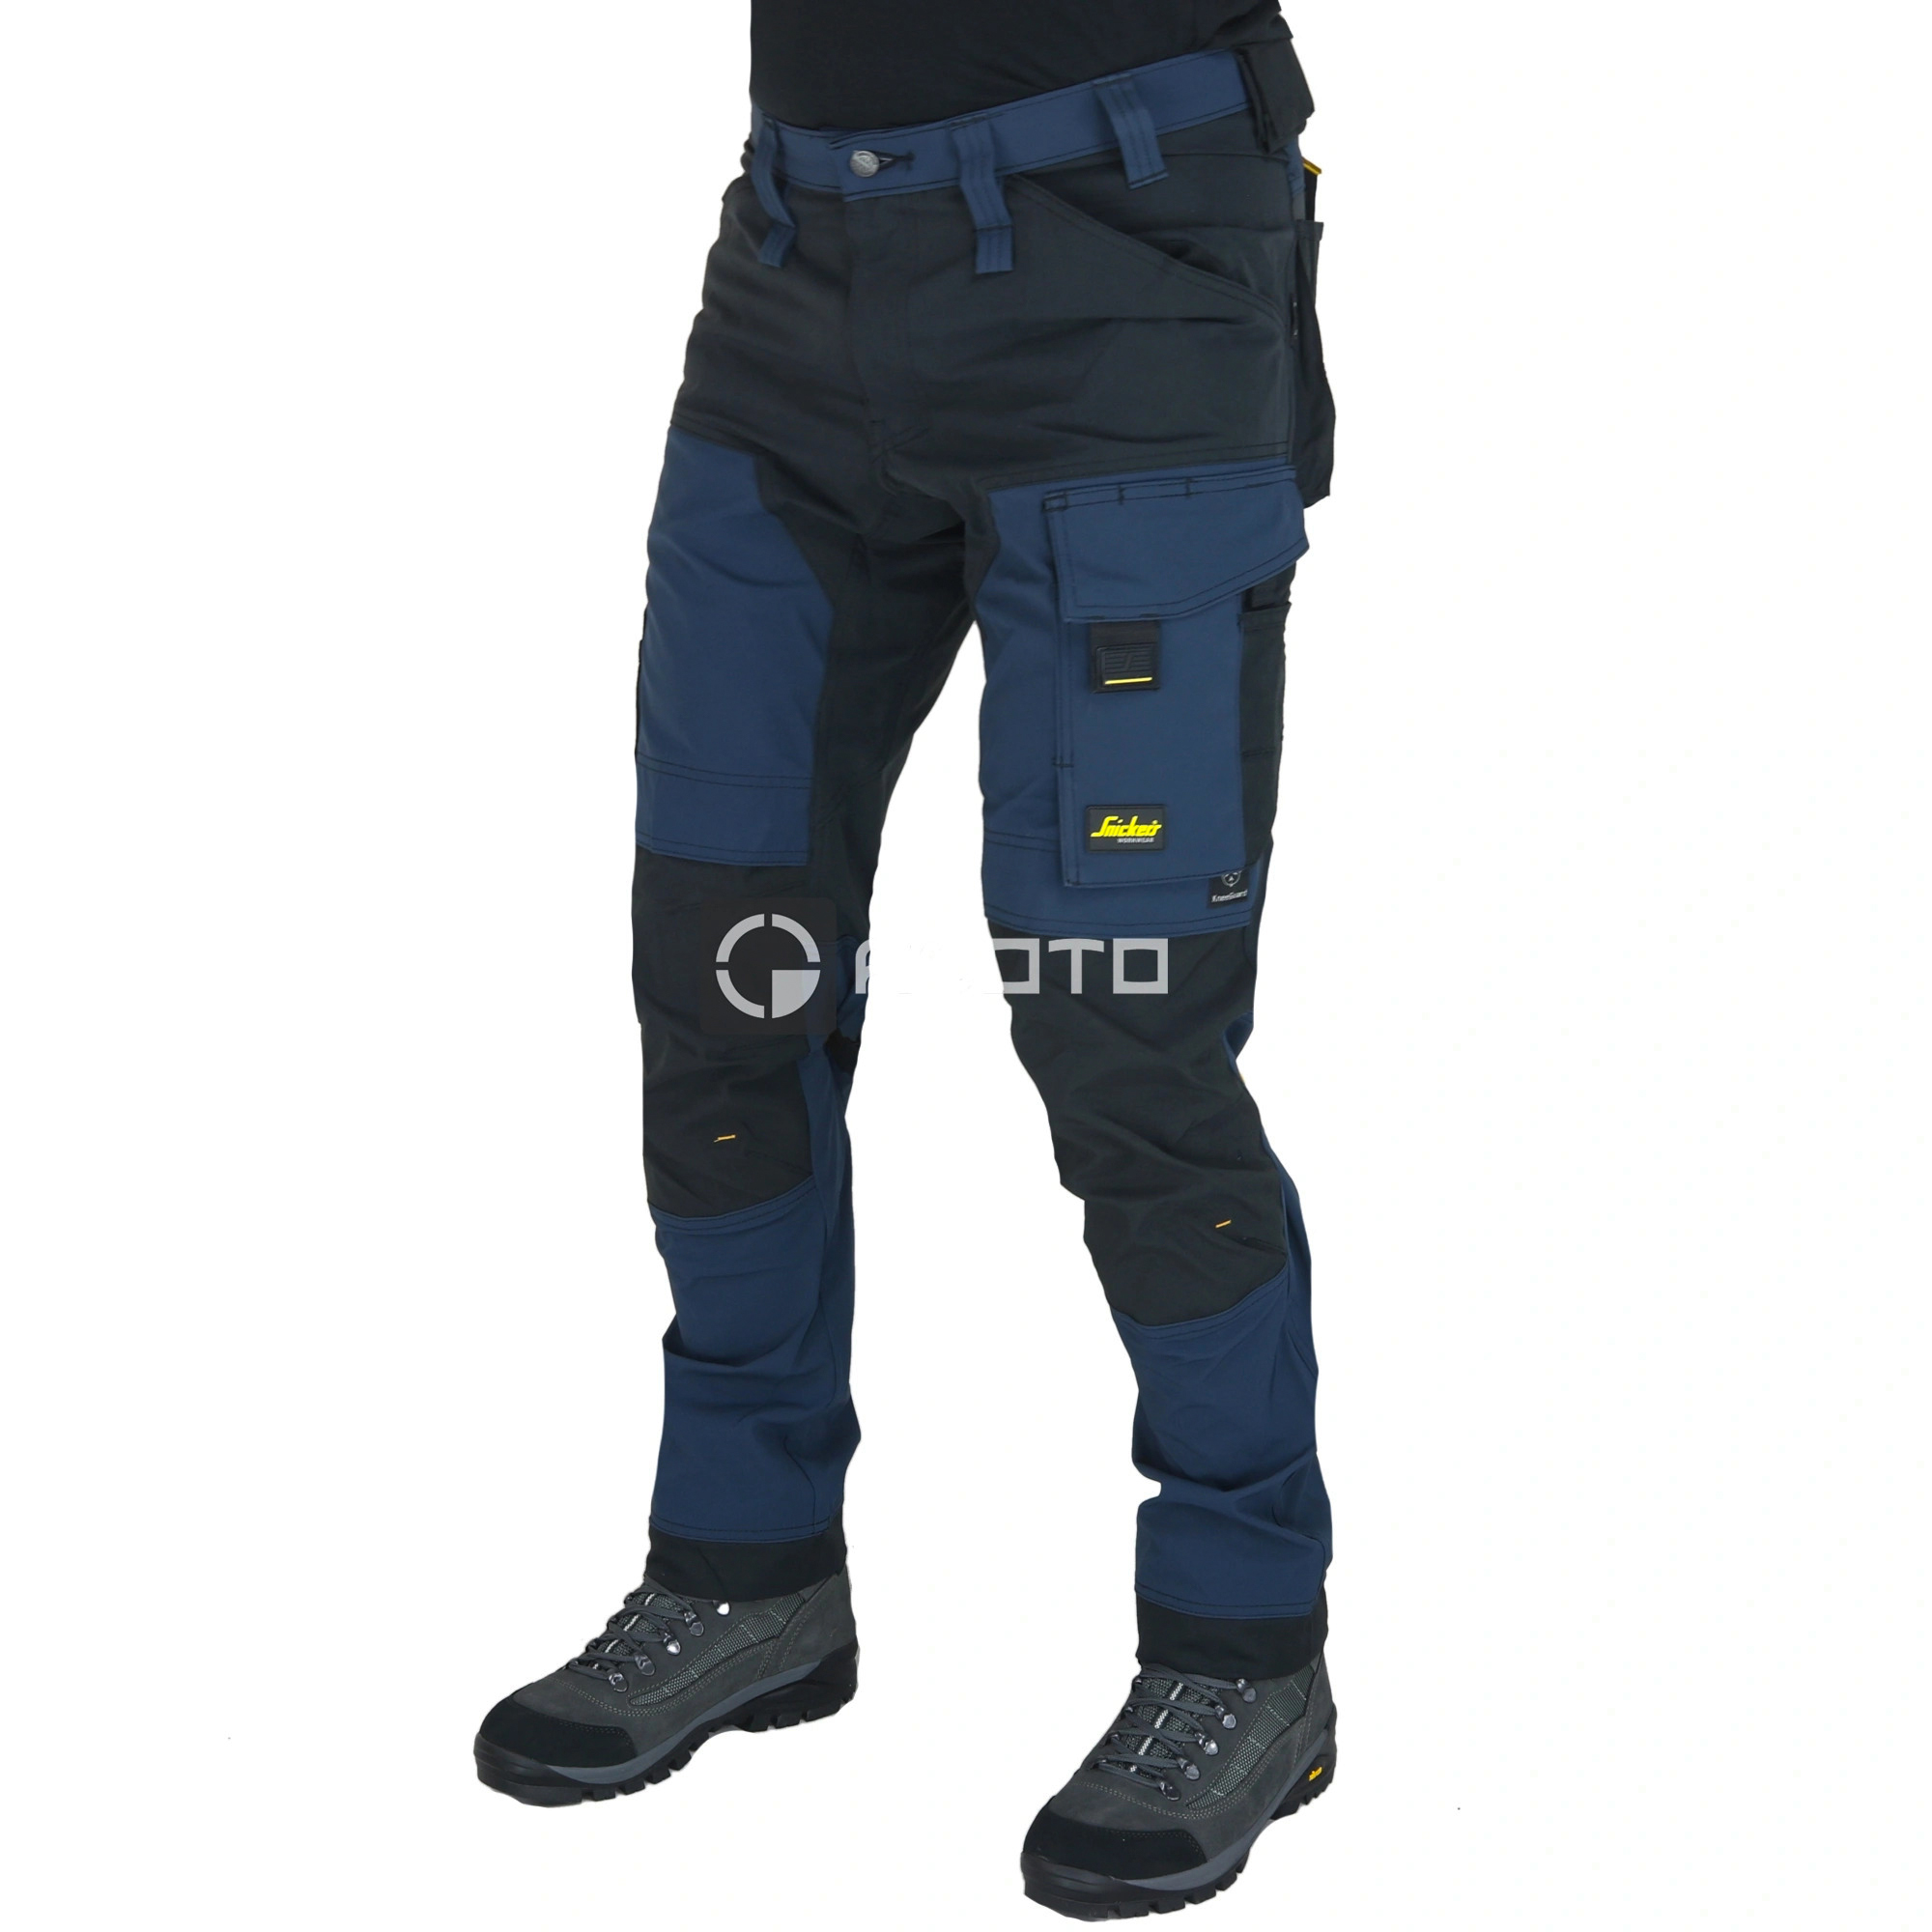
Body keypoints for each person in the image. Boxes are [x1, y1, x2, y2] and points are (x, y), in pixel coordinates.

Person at [475, 2, 1338, 1914]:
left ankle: (1244, 1645)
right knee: (733, 971)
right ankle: (747, 1569)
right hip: (798, 279)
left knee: (1121, 1035)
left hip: (1128, 266)